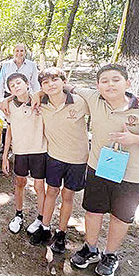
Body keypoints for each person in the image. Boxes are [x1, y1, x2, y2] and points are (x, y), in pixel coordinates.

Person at [69, 64, 139, 276]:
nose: (110, 85)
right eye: (104, 81)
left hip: (131, 175)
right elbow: (68, 86)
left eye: (116, 80)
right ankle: (90, 248)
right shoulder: (94, 99)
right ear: (98, 86)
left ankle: (110, 254)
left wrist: (134, 139)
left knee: (120, 216)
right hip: (98, 168)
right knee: (93, 210)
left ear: (127, 83)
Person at [29, 67, 89, 252]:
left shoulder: (80, 102)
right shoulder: (41, 104)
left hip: (77, 159)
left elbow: (104, 102)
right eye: (45, 82)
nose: (51, 85)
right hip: (54, 156)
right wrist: (38, 94)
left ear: (64, 82)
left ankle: (61, 233)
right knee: (51, 191)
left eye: (55, 80)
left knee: (68, 195)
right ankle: (45, 228)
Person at [0, 73, 47, 237]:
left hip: (39, 150)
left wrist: (39, 93)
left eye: (18, 83)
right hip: (20, 151)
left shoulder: (40, 100)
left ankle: (41, 218)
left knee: (39, 186)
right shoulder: (9, 106)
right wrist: (5, 156)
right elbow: (9, 131)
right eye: (12, 85)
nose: (16, 87)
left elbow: (50, 90)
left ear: (27, 83)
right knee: (20, 182)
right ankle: (18, 215)